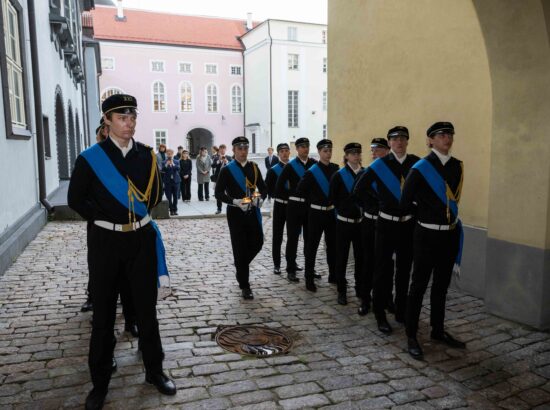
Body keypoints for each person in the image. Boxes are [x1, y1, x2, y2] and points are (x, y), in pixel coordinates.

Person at [68, 94, 176, 409]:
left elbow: (155, 194)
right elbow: (76, 199)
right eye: (122, 118)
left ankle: (154, 371)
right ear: (108, 121)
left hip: (140, 242)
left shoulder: (146, 155)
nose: (129, 123)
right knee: (103, 315)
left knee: (147, 311)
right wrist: (105, 216)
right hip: (105, 245)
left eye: (132, 117)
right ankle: (100, 382)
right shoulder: (91, 157)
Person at [400, 121, 465, 360]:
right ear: (430, 140)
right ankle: (411, 335)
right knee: (418, 286)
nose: (446, 138)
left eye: (449, 134)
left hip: (449, 234)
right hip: (426, 234)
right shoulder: (420, 168)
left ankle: (438, 330)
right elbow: (405, 203)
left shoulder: (457, 166)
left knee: (441, 286)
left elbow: (453, 200)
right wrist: (425, 214)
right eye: (440, 135)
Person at [356, 127, 420, 334]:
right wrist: (377, 206)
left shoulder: (416, 163)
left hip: (408, 224)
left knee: (403, 270)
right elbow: (359, 190)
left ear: (407, 141)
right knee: (382, 270)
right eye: (394, 139)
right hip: (385, 224)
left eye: (403, 138)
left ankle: (401, 310)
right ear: (390, 142)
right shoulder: (379, 165)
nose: (399, 142)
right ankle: (380, 314)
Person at [214, 136, 267, 300]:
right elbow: (218, 193)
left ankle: (240, 267)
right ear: (234, 150)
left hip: (252, 211)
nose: (243, 151)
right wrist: (234, 201)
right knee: (239, 247)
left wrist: (260, 197)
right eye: (240, 149)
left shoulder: (254, 167)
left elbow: (263, 189)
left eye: (245, 148)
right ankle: (245, 285)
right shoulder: (227, 170)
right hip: (236, 213)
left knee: (258, 242)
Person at [352, 137, 390, 316]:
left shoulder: (392, 173)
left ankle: (387, 299)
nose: (374, 152)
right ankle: (365, 300)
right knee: (368, 262)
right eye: (373, 149)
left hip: (387, 222)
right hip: (369, 221)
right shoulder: (364, 173)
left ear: (387, 151)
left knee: (387, 264)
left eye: (378, 149)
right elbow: (356, 194)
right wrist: (369, 208)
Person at [296, 139, 339, 292]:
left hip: (331, 213)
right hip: (315, 213)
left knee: (333, 246)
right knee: (312, 247)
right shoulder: (312, 171)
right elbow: (300, 190)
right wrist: (313, 200)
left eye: (330, 151)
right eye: (325, 151)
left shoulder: (336, 168)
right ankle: (308, 278)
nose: (328, 154)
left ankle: (333, 275)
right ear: (319, 152)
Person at [275, 138, 317, 283]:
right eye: (302, 147)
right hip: (294, 207)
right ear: (297, 149)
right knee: (293, 238)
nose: (305, 149)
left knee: (310, 239)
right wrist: (292, 196)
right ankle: (291, 269)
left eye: (307, 146)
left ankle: (310, 268)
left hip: (310, 207)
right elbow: (279, 186)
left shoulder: (314, 164)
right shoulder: (290, 166)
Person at [330, 142, 364, 306]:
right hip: (343, 223)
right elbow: (333, 197)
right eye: (352, 153)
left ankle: (359, 287)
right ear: (346, 156)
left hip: (360, 223)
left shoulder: (365, 173)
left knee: (361, 257)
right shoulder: (339, 175)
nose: (356, 156)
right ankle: (342, 290)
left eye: (358, 153)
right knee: (341, 257)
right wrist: (344, 209)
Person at [265, 143, 291, 275]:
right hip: (280, 205)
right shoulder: (273, 170)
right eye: (282, 151)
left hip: (293, 206)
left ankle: (292, 262)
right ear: (278, 154)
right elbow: (267, 188)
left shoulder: (294, 168)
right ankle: (277, 264)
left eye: (287, 151)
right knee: (277, 236)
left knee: (292, 236)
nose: (285, 153)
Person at [212, 144, 232, 214]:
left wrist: (227, 162)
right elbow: (213, 165)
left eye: (224, 149)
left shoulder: (229, 157)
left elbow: (232, 166)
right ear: (219, 150)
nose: (223, 150)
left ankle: (231, 207)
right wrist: (219, 161)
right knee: (218, 193)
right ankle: (219, 209)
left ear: (225, 150)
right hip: (219, 178)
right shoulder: (216, 157)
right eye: (221, 149)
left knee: (230, 193)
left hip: (228, 178)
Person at [162, 149, 181, 216]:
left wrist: (172, 164)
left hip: (176, 181)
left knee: (175, 196)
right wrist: (166, 164)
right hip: (168, 182)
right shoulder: (164, 162)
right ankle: (171, 210)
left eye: (170, 153)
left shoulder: (176, 161)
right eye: (168, 153)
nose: (169, 155)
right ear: (166, 154)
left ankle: (175, 210)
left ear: (172, 154)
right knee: (169, 197)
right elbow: (162, 170)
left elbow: (178, 169)